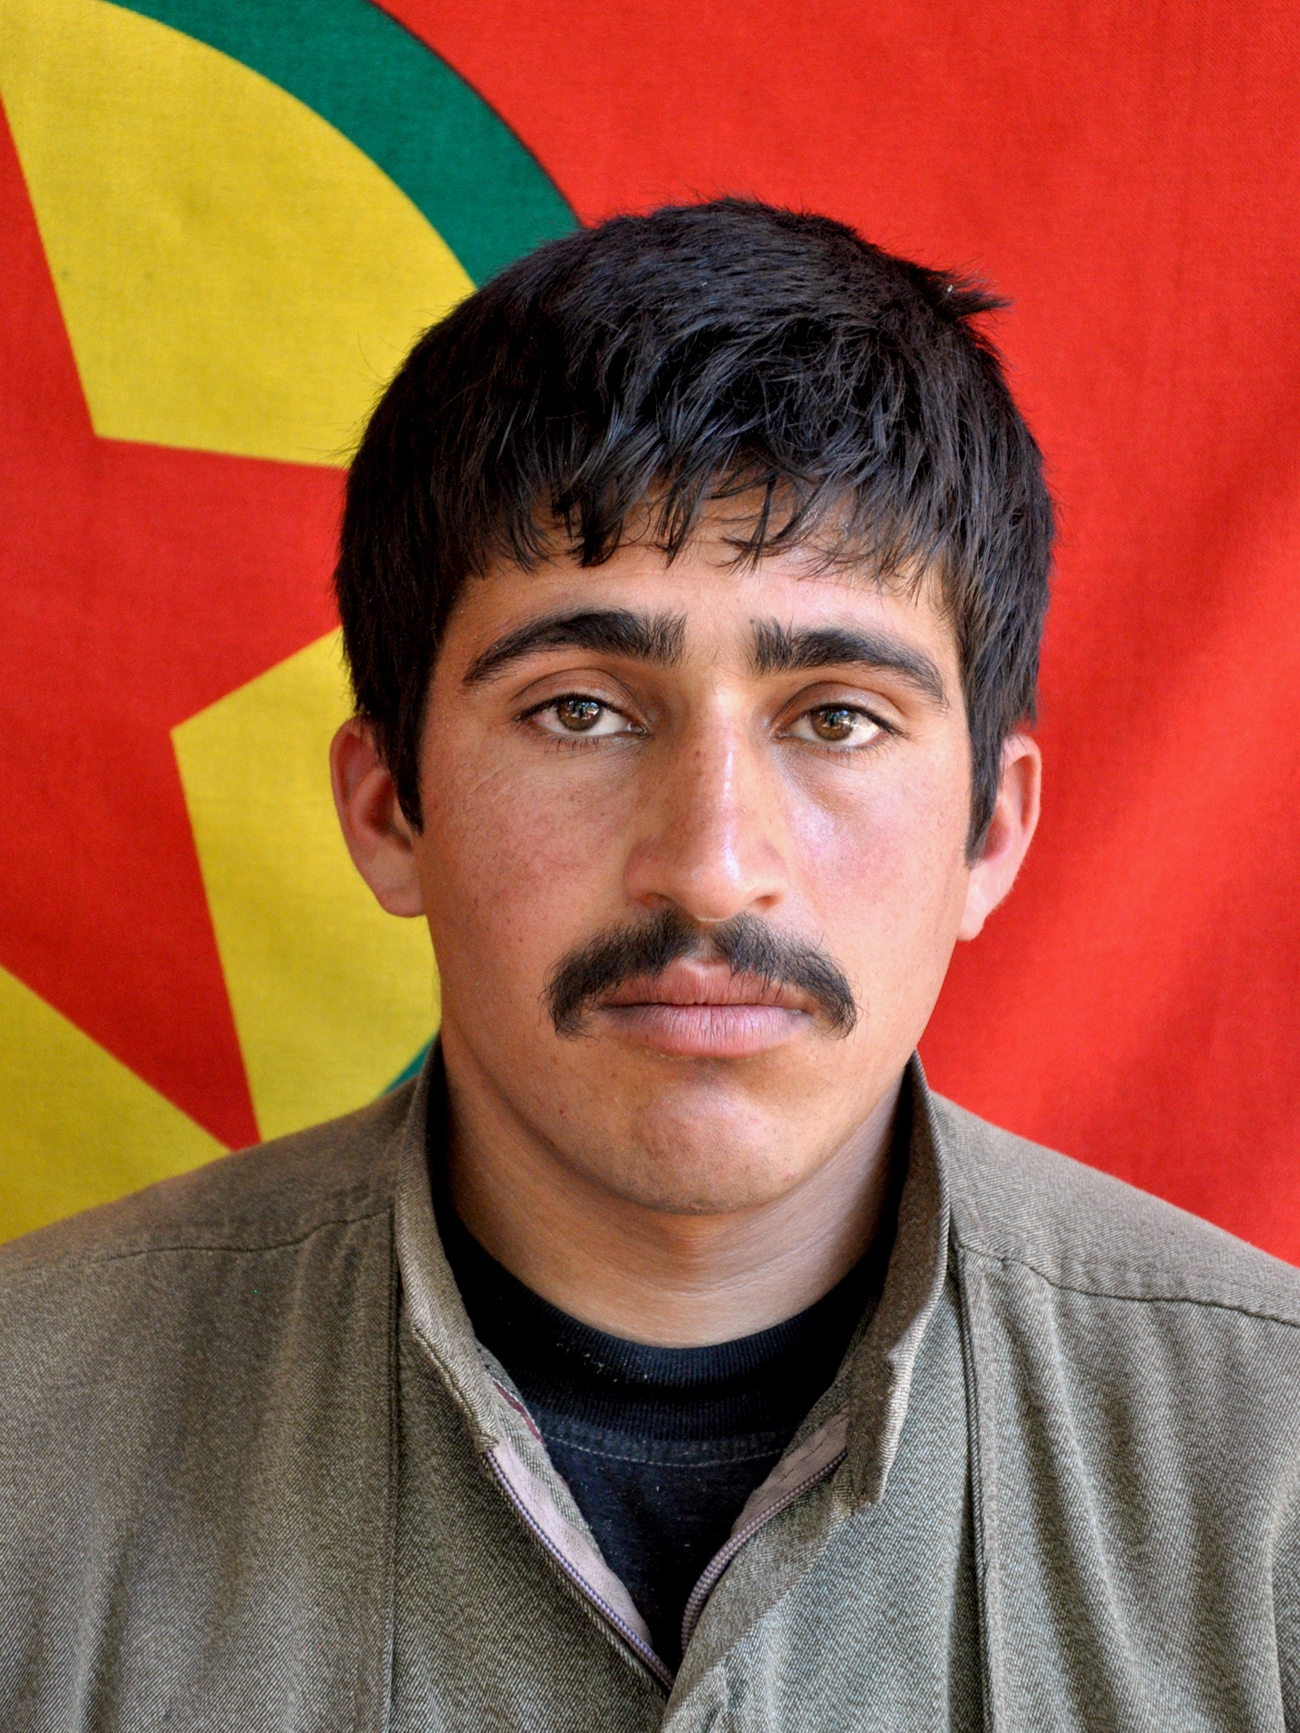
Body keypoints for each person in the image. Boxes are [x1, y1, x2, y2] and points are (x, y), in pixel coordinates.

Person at [2, 200, 1297, 1733]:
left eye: (837, 717)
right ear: (390, 807)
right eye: (581, 710)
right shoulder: (29, 1441)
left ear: (992, 829)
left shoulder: (1270, 1472)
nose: (710, 862)